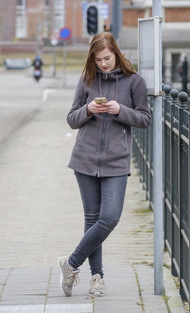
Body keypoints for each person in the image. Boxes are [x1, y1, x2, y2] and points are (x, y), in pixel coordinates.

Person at [58, 32, 151, 298]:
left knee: (109, 217)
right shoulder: (87, 79)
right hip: (85, 159)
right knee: (92, 219)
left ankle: (71, 263)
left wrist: (118, 109)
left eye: (107, 58)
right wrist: (88, 109)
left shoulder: (134, 82)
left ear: (116, 54)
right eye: (98, 59)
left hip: (117, 161)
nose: (103, 64)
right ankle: (96, 278)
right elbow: (71, 119)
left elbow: (145, 118)